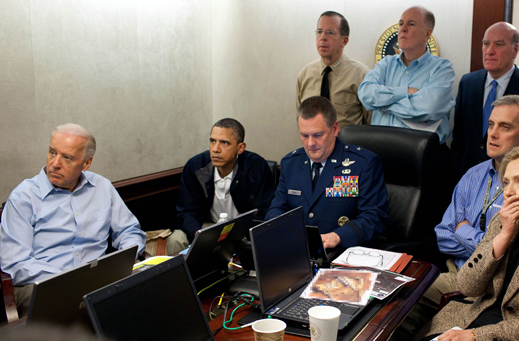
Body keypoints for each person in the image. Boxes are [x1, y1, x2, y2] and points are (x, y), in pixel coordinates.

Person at [418, 146, 519, 341]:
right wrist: (503, 237)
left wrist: (478, 335)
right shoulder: (502, 223)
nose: (508, 192)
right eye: (505, 183)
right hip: (467, 318)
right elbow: (468, 286)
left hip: (513, 335)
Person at [0, 123, 146, 316]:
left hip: (100, 280)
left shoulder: (102, 187)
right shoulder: (23, 197)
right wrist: (72, 281)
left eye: (67, 157)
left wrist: (122, 263)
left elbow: (130, 231)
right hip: (44, 285)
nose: (55, 163)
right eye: (52, 152)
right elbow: (16, 264)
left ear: (86, 163)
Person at [427, 95, 519, 304]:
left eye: (505, 127)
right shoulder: (473, 175)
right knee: (397, 297)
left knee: (403, 301)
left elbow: (509, 255)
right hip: (457, 271)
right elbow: (443, 236)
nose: (492, 134)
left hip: (496, 286)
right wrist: (488, 246)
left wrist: (463, 230)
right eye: (491, 125)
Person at [266, 96, 388, 249]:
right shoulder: (291, 163)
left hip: (344, 253)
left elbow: (374, 217)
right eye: (304, 135)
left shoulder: (362, 164)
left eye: (317, 135)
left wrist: (338, 236)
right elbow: (277, 208)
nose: (310, 143)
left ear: (335, 129)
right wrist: (275, 229)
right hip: (299, 251)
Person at [451, 22, 519, 178]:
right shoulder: (468, 82)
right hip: (470, 178)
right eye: (486, 44)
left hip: (514, 179)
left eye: (499, 44)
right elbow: (459, 140)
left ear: (515, 50)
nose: (489, 51)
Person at [167, 118, 275, 254]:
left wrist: (241, 233)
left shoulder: (256, 167)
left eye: (224, 143)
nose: (216, 149)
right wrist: (199, 234)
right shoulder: (195, 166)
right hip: (208, 226)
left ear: (240, 148)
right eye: (213, 141)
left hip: (242, 229)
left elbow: (264, 211)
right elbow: (186, 211)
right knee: (176, 239)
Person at [358, 6, 455, 145]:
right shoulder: (386, 64)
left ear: (427, 34)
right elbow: (365, 94)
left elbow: (427, 108)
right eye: (401, 23)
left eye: (411, 24)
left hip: (423, 157)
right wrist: (405, 92)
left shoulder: (442, 68)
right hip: (382, 151)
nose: (403, 28)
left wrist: (382, 104)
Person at [296, 11, 370, 126]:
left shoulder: (361, 75)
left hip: (347, 143)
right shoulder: (305, 75)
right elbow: (301, 120)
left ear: (344, 41)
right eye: (319, 31)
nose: (322, 37)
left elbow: (370, 124)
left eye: (330, 33)